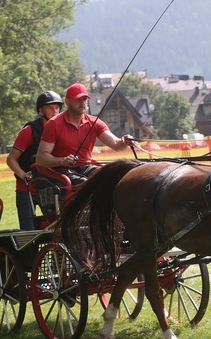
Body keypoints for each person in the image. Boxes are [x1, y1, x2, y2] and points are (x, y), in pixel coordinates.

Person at [36, 82, 133, 185]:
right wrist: (62, 160)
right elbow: (41, 158)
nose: (82, 103)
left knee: (111, 176)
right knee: (85, 183)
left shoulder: (94, 122)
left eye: (84, 99)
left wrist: (125, 142)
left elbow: (117, 145)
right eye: (78, 99)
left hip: (86, 168)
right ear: (67, 102)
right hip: (59, 170)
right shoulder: (54, 124)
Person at [7, 91, 63, 230]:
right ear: (40, 110)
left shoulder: (60, 130)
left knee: (55, 229)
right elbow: (11, 159)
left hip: (49, 189)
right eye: (50, 108)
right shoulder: (29, 131)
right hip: (27, 189)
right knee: (28, 231)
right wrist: (23, 175)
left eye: (57, 108)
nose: (55, 111)